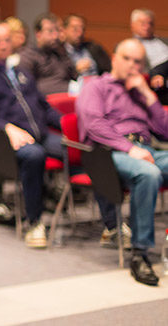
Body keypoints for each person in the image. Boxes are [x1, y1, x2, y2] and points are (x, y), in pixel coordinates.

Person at [0, 22, 63, 247]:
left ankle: (109, 224)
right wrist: (6, 127)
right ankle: (33, 222)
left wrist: (66, 124)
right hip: (3, 141)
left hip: (40, 133)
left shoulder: (20, 71)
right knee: (34, 156)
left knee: (79, 149)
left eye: (7, 40)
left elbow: (42, 106)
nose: (4, 45)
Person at [76, 39, 168, 286]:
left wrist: (148, 95)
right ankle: (140, 254)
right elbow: (94, 125)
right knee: (148, 174)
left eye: (138, 61)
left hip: (144, 148)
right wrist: (129, 148)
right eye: (127, 58)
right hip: (109, 152)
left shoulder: (140, 91)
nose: (133, 65)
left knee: (149, 166)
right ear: (115, 58)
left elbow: (165, 131)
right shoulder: (95, 86)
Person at [18, 13, 77, 96]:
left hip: (69, 99)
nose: (55, 36)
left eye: (57, 31)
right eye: (50, 31)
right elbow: (26, 88)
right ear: (38, 34)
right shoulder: (28, 56)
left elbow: (74, 77)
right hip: (45, 103)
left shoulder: (60, 53)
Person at [62, 14, 110, 78]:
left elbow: (108, 69)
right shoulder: (58, 52)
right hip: (72, 85)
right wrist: (76, 69)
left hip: (97, 84)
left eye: (82, 29)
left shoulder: (93, 47)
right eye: (75, 29)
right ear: (64, 30)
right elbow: (56, 78)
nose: (80, 33)